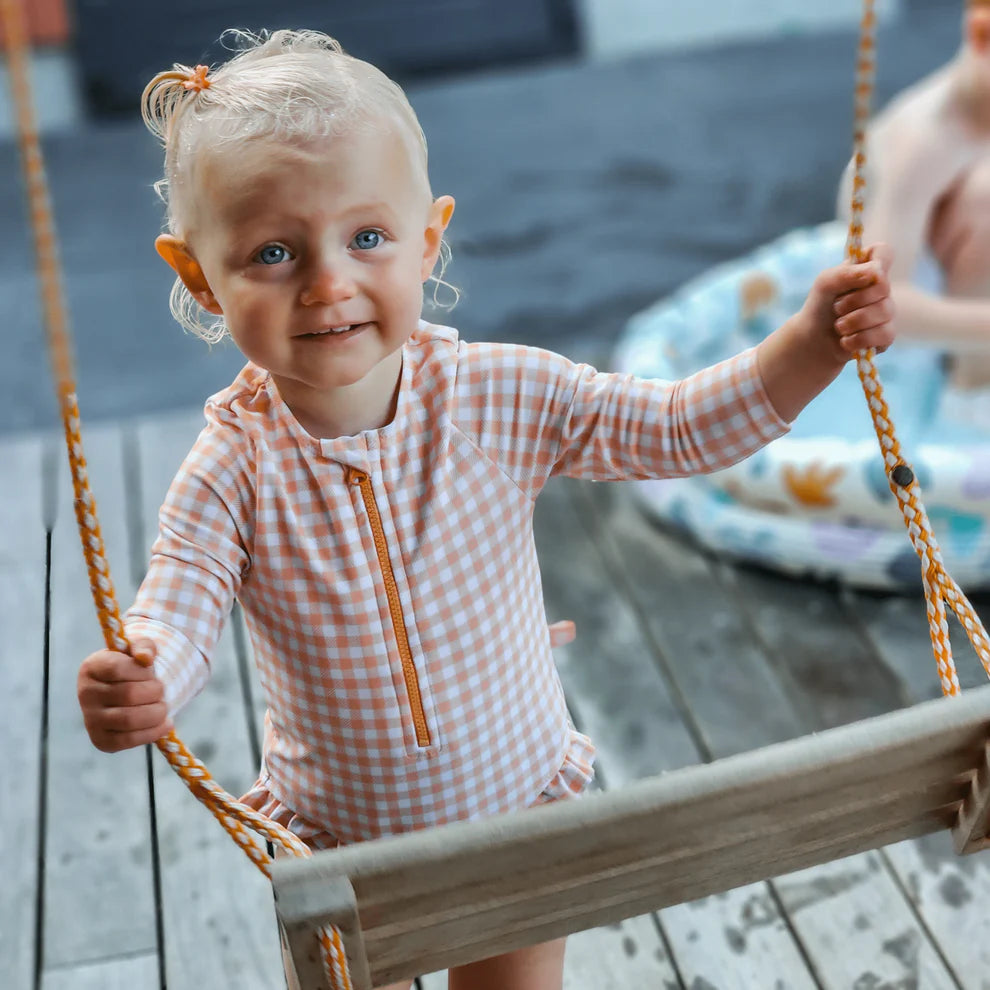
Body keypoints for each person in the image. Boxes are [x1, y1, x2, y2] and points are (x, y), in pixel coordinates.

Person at [75, 29, 895, 990]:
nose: (329, 282)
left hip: (515, 806)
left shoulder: (501, 397)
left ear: (428, 238)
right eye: (271, 252)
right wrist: (149, 678)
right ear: (198, 275)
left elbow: (676, 429)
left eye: (367, 237)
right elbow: (177, 602)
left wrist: (808, 345)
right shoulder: (233, 469)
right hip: (343, 848)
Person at [838, 0, 990, 392]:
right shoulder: (925, 137)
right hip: (923, 297)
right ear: (981, 36)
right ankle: (973, 386)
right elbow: (877, 303)